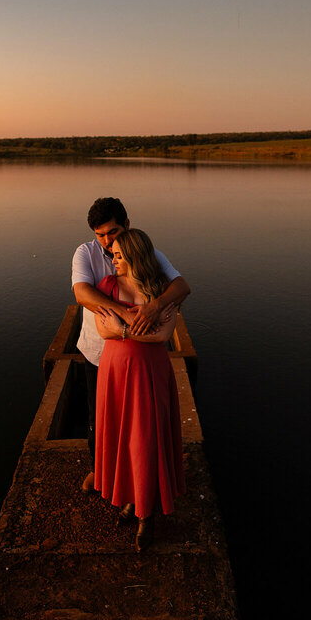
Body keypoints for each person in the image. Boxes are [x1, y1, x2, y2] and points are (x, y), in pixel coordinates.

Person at [71, 198, 190, 493]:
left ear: (126, 224)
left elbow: (181, 286)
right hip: (98, 351)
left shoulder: (140, 249)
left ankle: (136, 484)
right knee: (98, 418)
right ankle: (100, 472)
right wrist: (125, 313)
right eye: (100, 235)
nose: (107, 242)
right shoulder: (85, 253)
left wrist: (156, 305)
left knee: (139, 425)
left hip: (138, 358)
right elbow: (82, 293)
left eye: (112, 232)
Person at [92, 229, 185, 551]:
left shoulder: (160, 291)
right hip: (115, 372)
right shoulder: (106, 288)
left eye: (118, 255)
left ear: (134, 256)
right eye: (112, 255)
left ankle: (147, 515)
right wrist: (128, 332)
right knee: (122, 436)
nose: (113, 260)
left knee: (144, 438)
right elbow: (103, 332)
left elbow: (163, 337)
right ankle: (130, 501)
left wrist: (124, 331)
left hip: (149, 372)